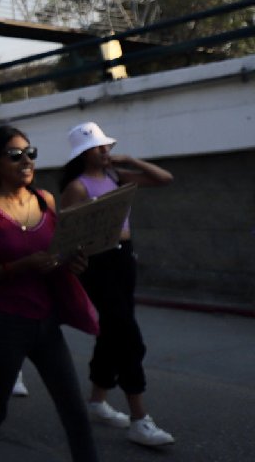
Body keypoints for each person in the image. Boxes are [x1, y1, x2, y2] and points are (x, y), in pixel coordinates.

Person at [0, 126, 98, 462]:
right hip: (6, 327)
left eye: (30, 153)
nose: (26, 161)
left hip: (47, 322)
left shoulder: (45, 200)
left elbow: (57, 253)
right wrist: (25, 265)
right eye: (14, 155)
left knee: (75, 412)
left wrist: (72, 261)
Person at [59, 122, 175, 447]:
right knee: (127, 336)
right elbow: (67, 234)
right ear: (83, 153)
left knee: (112, 332)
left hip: (124, 257)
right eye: (99, 148)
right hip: (98, 263)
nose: (105, 151)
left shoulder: (114, 177)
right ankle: (140, 419)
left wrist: (131, 161)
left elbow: (163, 179)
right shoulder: (78, 186)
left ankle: (97, 400)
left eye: (107, 146)